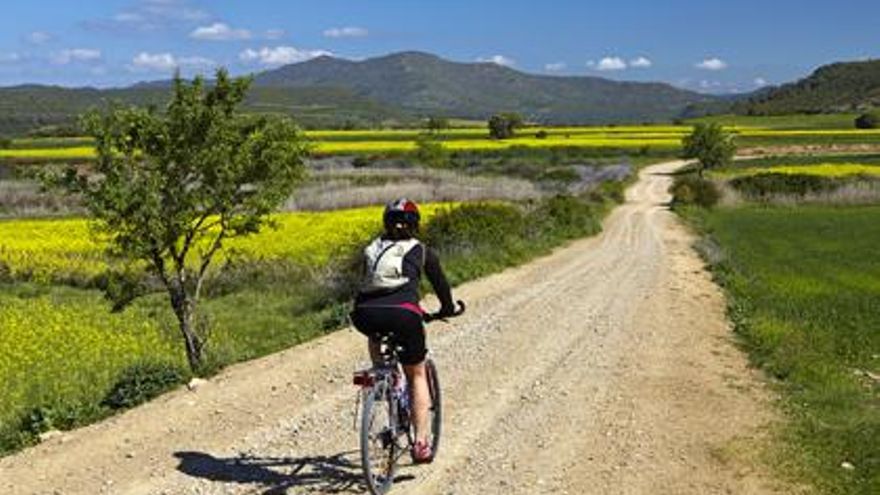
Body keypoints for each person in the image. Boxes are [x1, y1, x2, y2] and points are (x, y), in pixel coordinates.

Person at [351, 198, 457, 463]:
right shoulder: (421, 251)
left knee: (376, 333)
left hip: (364, 314)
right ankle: (421, 444)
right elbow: (441, 287)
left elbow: (370, 284)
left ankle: (381, 377)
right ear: (415, 225)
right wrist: (447, 308)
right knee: (417, 373)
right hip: (404, 314)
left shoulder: (372, 248)